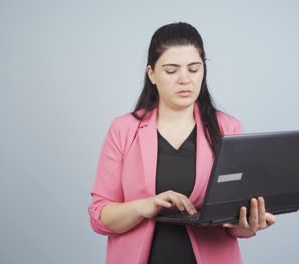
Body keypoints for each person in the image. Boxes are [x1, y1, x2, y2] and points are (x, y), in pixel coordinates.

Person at [88, 22, 276, 264]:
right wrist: (145, 206)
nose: (185, 79)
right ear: (152, 74)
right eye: (171, 70)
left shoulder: (228, 128)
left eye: (194, 69)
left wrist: (248, 224)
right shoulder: (123, 129)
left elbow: (232, 223)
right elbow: (99, 215)